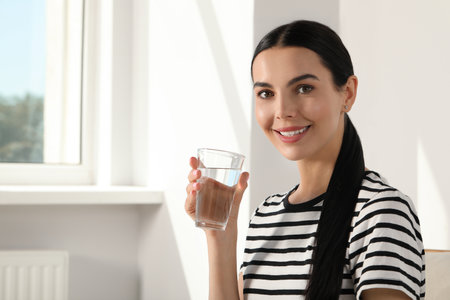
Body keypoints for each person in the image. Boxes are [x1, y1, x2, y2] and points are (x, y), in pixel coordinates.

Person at [185, 20, 425, 300]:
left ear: (347, 93)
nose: (282, 110)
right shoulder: (266, 215)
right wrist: (220, 235)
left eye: (304, 88)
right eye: (266, 93)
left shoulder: (381, 211)